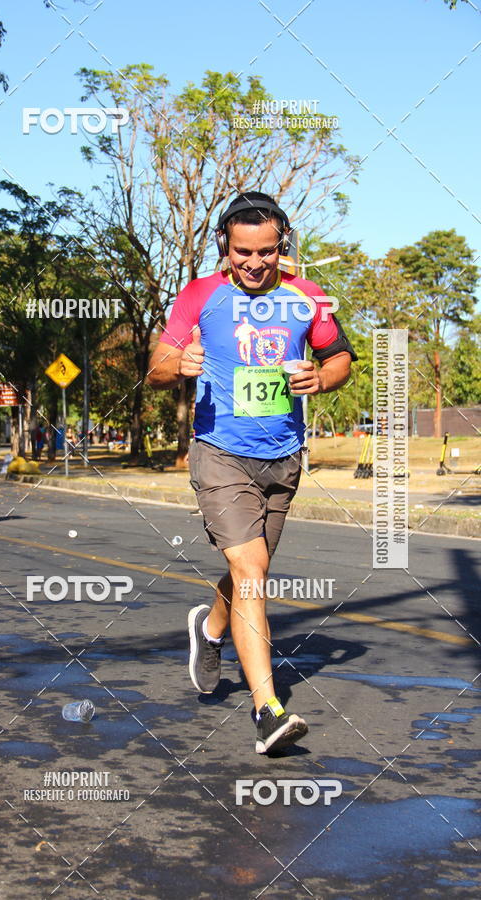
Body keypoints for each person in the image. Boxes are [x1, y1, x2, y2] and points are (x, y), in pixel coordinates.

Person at [147, 191, 357, 755]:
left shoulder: (306, 297)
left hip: (283, 456)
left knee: (248, 577)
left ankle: (209, 629)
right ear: (225, 245)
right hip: (219, 451)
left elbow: (339, 355)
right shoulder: (200, 296)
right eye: (243, 251)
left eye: (266, 251)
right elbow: (157, 366)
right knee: (252, 569)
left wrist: (322, 377)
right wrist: (177, 365)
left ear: (281, 243)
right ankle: (269, 710)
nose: (255, 262)